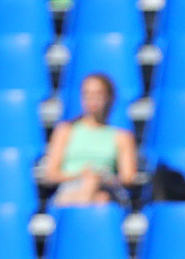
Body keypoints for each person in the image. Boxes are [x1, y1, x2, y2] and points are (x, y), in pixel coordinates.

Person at [38, 72, 138, 206]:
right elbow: (51, 173)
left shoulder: (122, 136)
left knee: (101, 195)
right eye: (88, 94)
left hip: (107, 187)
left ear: (109, 97)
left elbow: (128, 177)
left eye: (98, 94)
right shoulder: (65, 131)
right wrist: (81, 175)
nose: (93, 99)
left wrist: (101, 178)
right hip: (72, 187)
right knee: (99, 198)